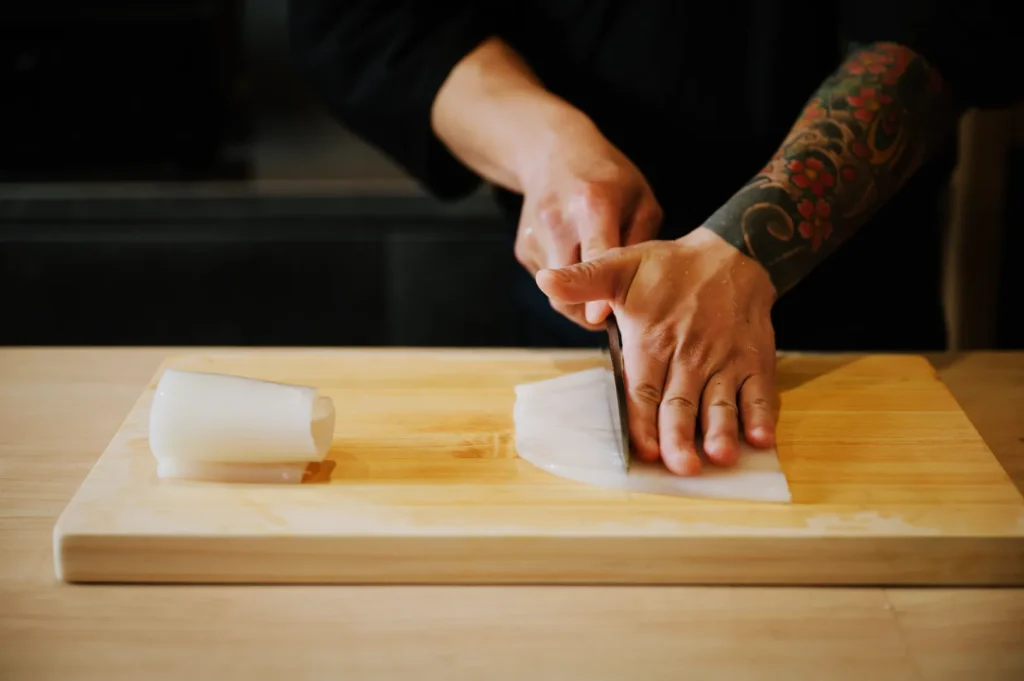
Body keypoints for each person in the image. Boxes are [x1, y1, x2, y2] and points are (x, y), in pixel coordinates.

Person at [287, 1, 1018, 477]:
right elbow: (365, 20)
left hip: (857, 314)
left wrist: (744, 248)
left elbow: (948, 28)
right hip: (573, 278)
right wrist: (546, 147)